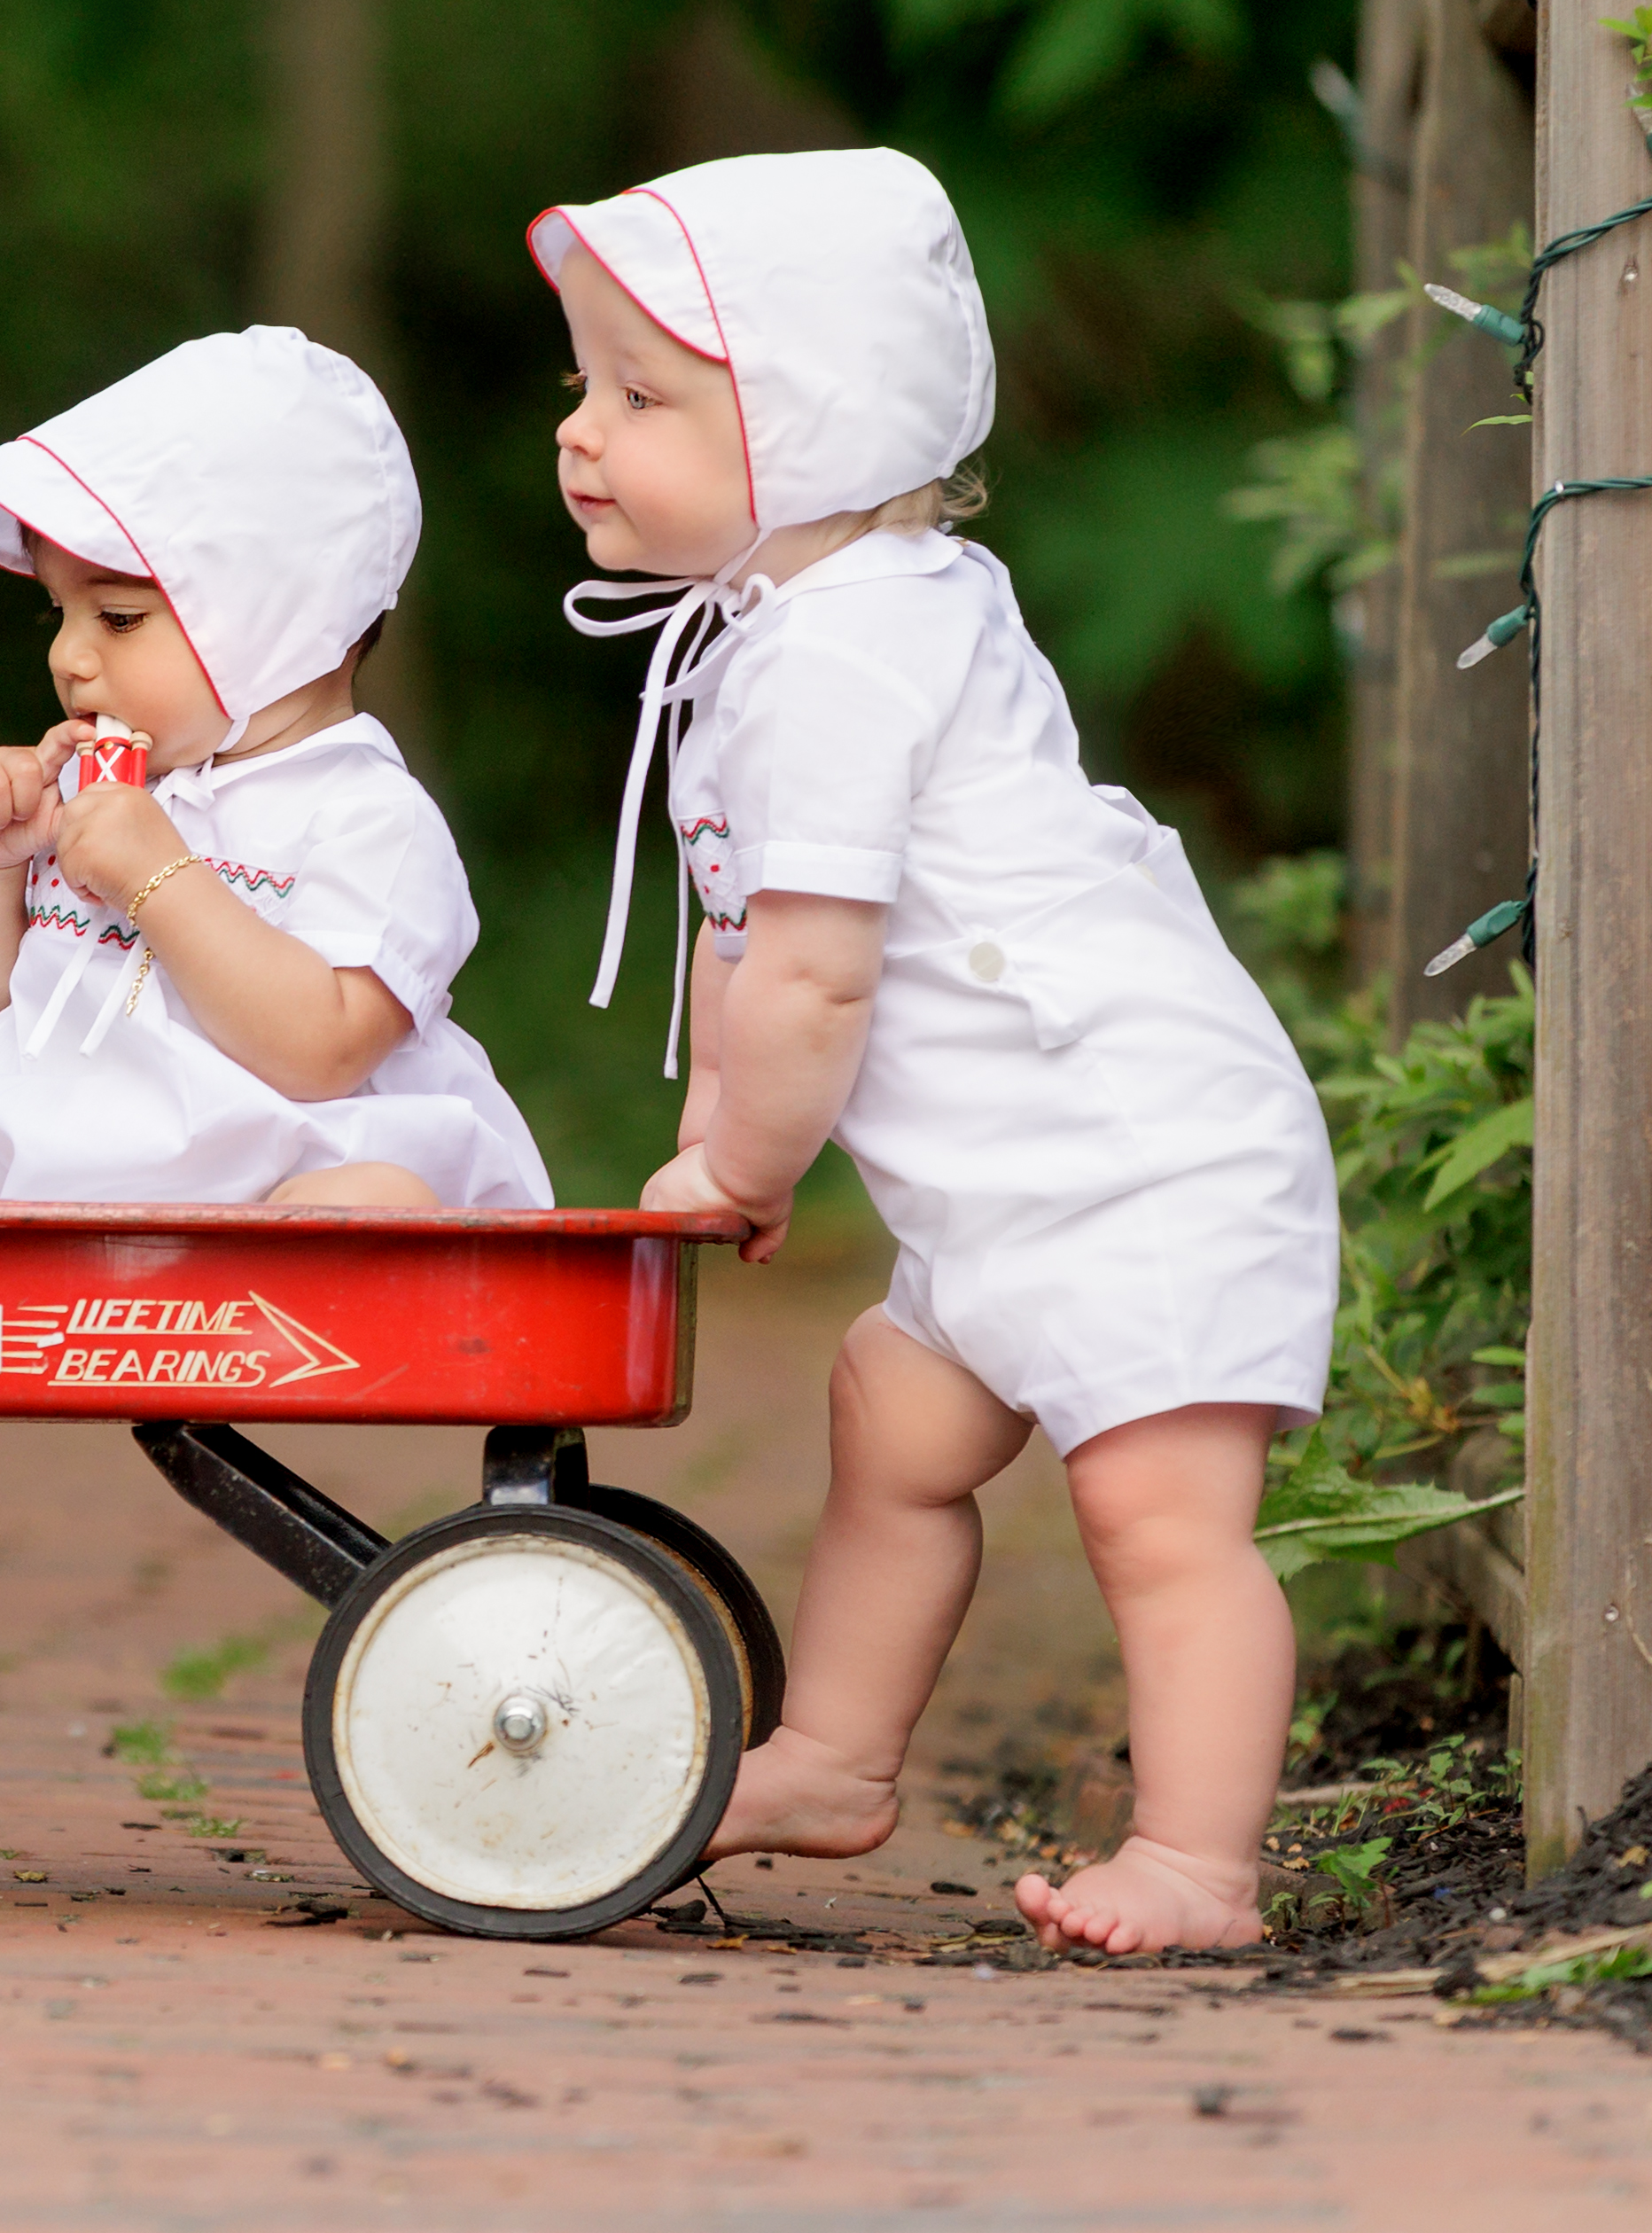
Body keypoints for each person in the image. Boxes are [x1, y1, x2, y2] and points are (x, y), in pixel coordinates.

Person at [541, 147, 1336, 1956]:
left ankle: (1202, 1866)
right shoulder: (771, 636)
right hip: (1012, 1179)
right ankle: (830, 1755)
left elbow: (816, 974)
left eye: (642, 393)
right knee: (893, 1421)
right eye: (584, 385)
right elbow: (740, 942)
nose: (582, 431)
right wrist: (713, 1124)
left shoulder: (850, 648)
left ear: (818, 427)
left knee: (1156, 1514)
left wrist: (746, 1163)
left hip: (1138, 1151)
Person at [0, 329, 546, 1215]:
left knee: (372, 1205)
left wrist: (161, 878)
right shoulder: (95, 792)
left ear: (280, 614)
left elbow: (323, 1050)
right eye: (56, 615)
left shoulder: (367, 815)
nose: (70, 656)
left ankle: (264, 1347)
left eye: (117, 617)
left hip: (258, 1222)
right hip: (38, 1207)